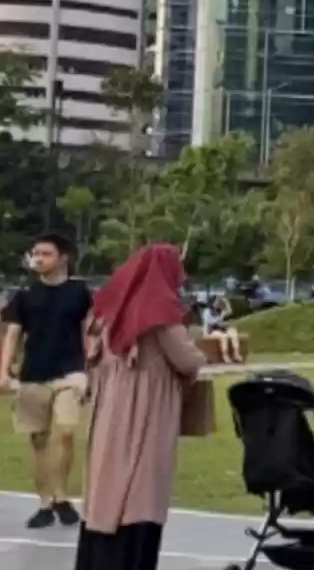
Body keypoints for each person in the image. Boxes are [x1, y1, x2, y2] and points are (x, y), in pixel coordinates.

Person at [76, 243, 206, 570]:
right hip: (145, 412)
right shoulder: (158, 310)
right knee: (140, 488)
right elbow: (186, 359)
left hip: (109, 411)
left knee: (106, 485)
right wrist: (203, 354)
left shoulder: (106, 309)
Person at [1, 233, 97, 530]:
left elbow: (89, 331)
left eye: (45, 253)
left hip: (71, 372)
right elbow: (13, 335)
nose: (38, 259)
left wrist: (92, 369)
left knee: (66, 432)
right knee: (38, 440)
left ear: (63, 258)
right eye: (36, 254)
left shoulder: (80, 292)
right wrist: (4, 371)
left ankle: (62, 496)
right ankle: (45, 502)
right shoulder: (24, 294)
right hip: (33, 374)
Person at [200, 296, 243, 365]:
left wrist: (226, 302)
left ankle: (236, 354)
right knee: (224, 336)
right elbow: (208, 323)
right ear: (213, 302)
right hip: (212, 330)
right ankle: (225, 355)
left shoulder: (219, 310)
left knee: (233, 332)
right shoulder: (207, 311)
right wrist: (205, 333)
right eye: (216, 301)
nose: (218, 302)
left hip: (221, 328)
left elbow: (229, 311)